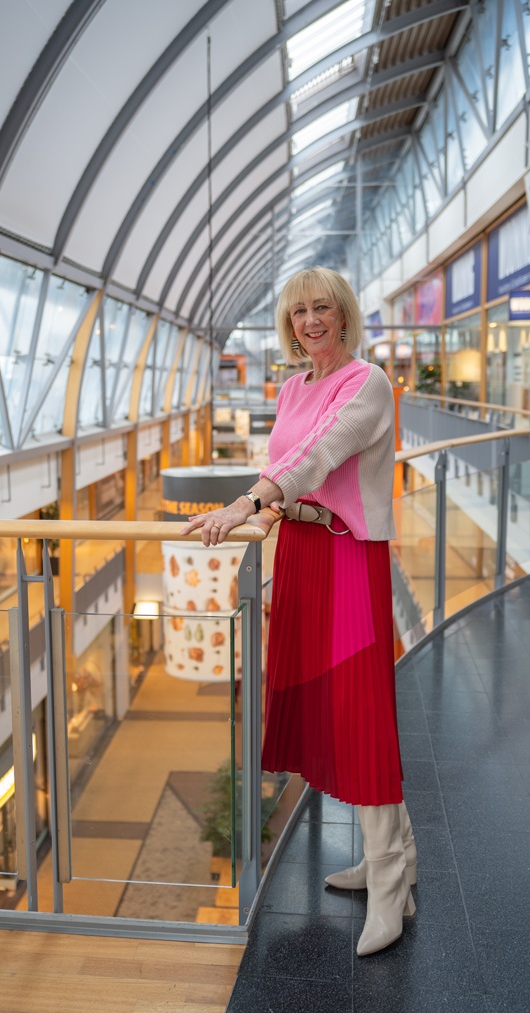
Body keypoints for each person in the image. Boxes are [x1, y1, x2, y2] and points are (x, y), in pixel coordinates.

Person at [181, 267, 416, 957]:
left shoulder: (366, 382)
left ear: (342, 315)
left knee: (359, 712)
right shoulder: (291, 386)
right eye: (298, 311)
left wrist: (246, 503)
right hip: (304, 554)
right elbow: (286, 460)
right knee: (329, 712)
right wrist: (270, 500)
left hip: (346, 557)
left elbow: (317, 456)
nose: (309, 320)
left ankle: (388, 883)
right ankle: (395, 857)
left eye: (321, 308)